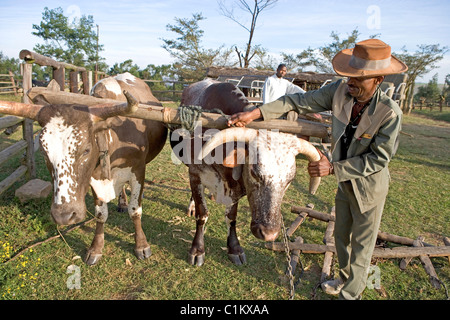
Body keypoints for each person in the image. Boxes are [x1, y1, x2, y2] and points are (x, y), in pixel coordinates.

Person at [227, 39, 407, 300]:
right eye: (349, 76)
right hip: (344, 183)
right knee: (342, 238)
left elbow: (378, 159)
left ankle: (351, 294)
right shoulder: (339, 91)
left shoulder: (389, 114)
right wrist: (256, 114)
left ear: (377, 80)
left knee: (362, 244)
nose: (350, 82)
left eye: (358, 78)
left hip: (368, 187)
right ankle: (343, 279)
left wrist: (333, 167)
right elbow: (295, 101)